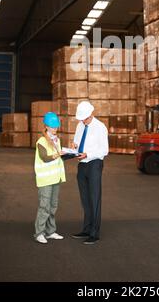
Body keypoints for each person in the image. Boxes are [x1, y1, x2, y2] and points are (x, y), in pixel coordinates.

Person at [71, 101, 109, 245]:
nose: (82, 121)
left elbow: (104, 150)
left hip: (94, 164)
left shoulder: (100, 127)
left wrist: (88, 154)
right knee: (85, 198)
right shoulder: (80, 125)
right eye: (81, 118)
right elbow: (76, 141)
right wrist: (74, 146)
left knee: (94, 199)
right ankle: (86, 229)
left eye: (85, 118)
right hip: (82, 165)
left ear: (91, 114)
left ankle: (94, 233)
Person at [34, 112, 65, 244]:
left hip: (56, 178)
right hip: (45, 180)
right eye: (52, 127)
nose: (55, 129)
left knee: (53, 207)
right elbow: (45, 158)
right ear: (46, 126)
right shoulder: (41, 141)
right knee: (44, 207)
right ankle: (39, 233)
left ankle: (50, 231)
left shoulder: (57, 140)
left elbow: (60, 157)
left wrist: (71, 152)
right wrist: (57, 154)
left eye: (56, 126)